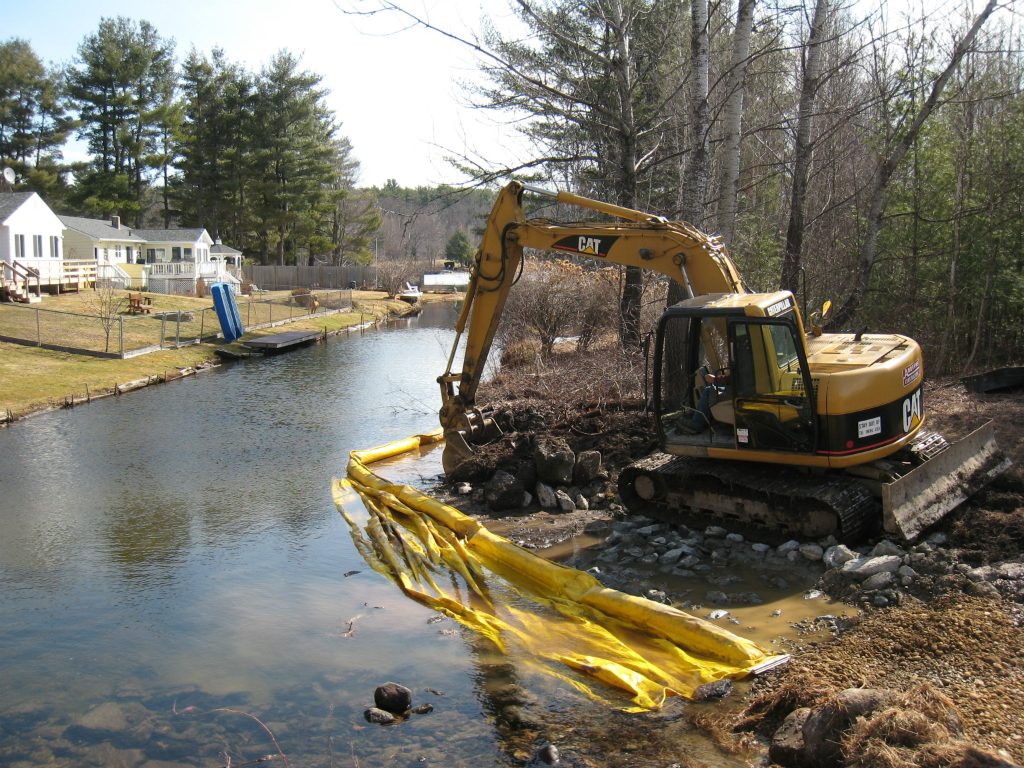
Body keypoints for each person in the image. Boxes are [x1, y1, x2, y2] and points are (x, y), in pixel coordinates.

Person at [680, 366, 729, 434]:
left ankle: (697, 424)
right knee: (712, 389)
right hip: (738, 389)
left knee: (708, 390)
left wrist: (715, 379)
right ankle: (707, 419)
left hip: (737, 391)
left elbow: (736, 378)